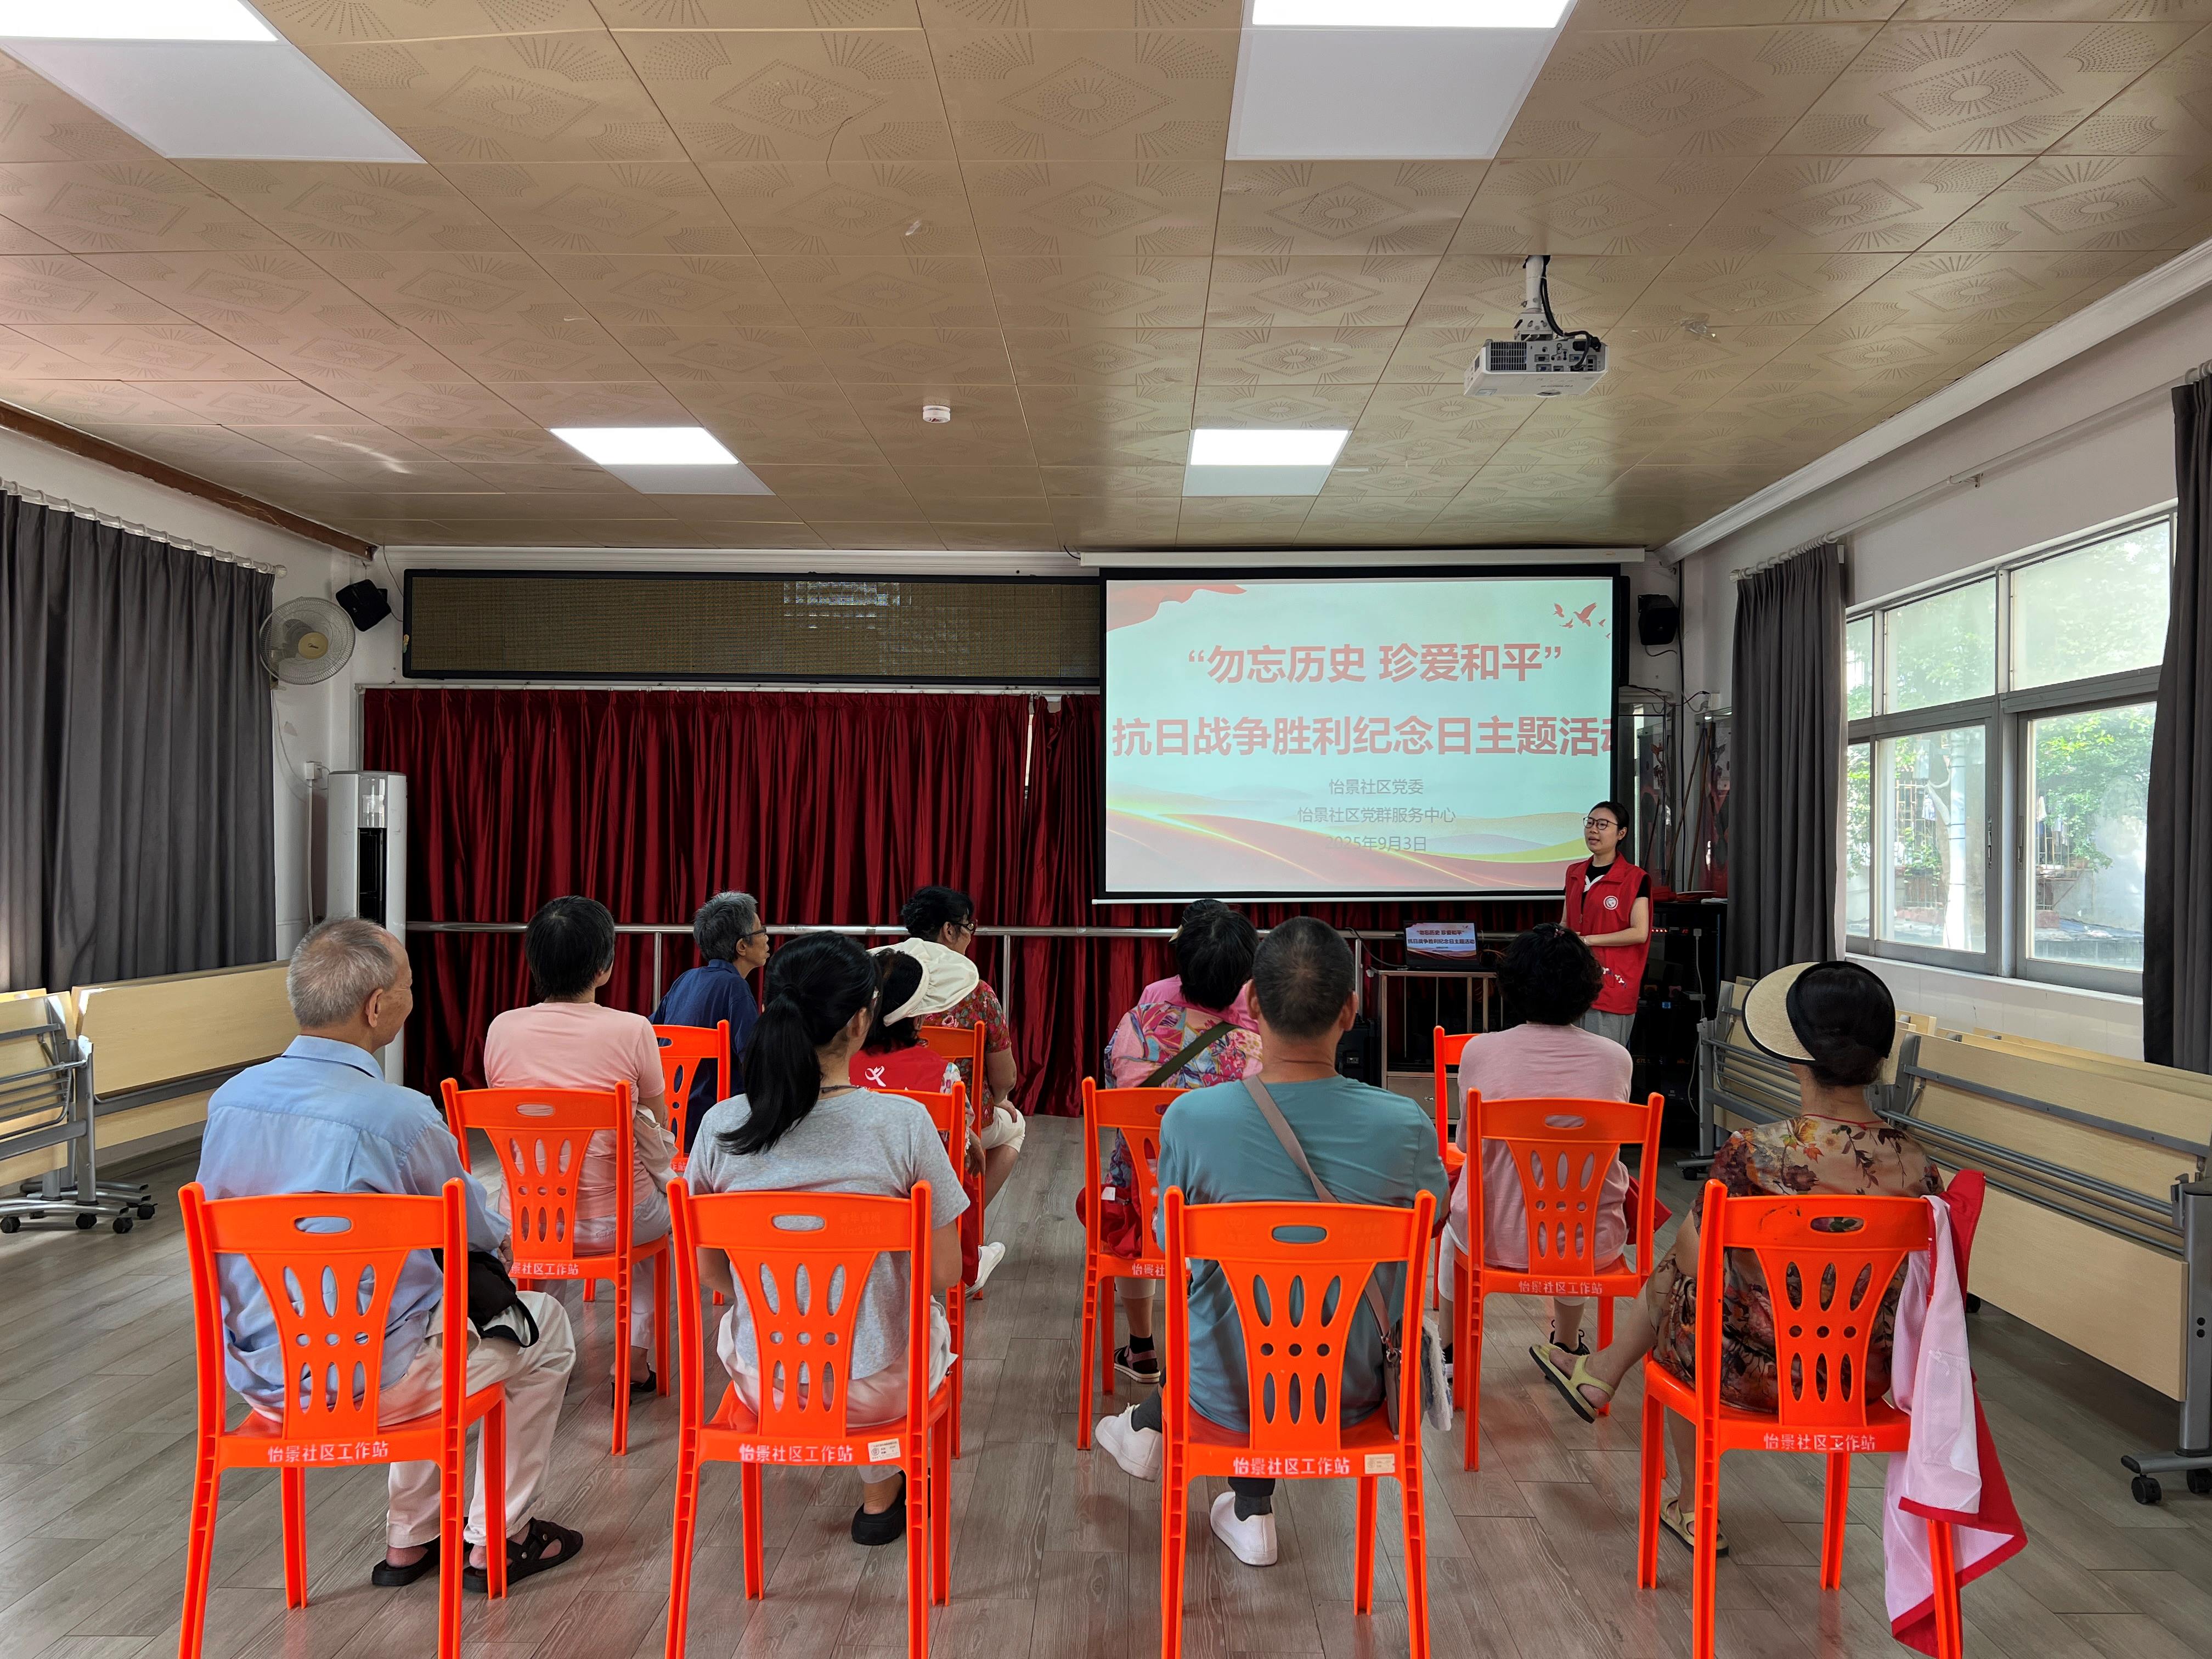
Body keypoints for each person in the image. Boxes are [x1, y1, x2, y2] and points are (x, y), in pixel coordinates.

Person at [196, 919, 582, 1592]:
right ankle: (502, 1538)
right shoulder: (400, 1117)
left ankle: (412, 1538)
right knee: (538, 1326)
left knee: (421, 1303)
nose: (413, 996)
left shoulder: (229, 1102)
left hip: (268, 1382)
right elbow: (475, 1237)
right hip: (376, 1384)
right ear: (377, 1007)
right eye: (409, 986)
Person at [1533, 960, 1938, 1556]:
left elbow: (1694, 1262)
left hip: (1755, 1377)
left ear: (1797, 1052)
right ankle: (1601, 1374)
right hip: (1866, 1379)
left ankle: (1691, 1500)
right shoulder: (1919, 1165)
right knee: (1690, 1277)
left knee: (1683, 1285)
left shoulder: (1758, 1151)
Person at [1092, 918, 1449, 1570]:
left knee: (1231, 1301)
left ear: (1253, 1002)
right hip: (1357, 1393)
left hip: (1220, 1393)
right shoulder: (1406, 1125)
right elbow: (1434, 1218)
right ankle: (1227, 1489)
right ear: (1351, 1011)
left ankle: (1176, 1446)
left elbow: (1171, 1244)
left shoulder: (1192, 1119)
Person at [687, 932, 967, 1547]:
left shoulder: (721, 1125)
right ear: (862, 1021)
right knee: (904, 1315)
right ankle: (879, 1496)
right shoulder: (904, 1123)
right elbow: (945, 1272)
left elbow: (710, 1276)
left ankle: (875, 1488)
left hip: (766, 1383)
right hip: (879, 1393)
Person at [483, 896, 673, 1397]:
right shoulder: (633, 1029)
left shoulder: (501, 1028)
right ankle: (633, 1363)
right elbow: (657, 1119)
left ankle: (543, 1353)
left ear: (533, 963)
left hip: (528, 1221)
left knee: (547, 1221)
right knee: (661, 1230)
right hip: (620, 1221)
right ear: (604, 967)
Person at [1440, 924, 1632, 1368]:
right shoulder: (1615, 1058)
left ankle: (1449, 1355)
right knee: (1578, 1202)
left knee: (1453, 1231)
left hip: (1493, 1237)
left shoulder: (1479, 1051)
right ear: (1589, 989)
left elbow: (1466, 1144)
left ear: (1511, 986)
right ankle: (1566, 1346)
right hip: (1590, 1241)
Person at [1098, 899, 1264, 1385]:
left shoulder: (1137, 1023)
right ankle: (1212, 1355)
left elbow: (1114, 1085)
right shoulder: (1256, 1049)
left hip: (1141, 1196)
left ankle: (1142, 1347)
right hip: (1222, 1204)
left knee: (1133, 1177)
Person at [852, 945, 1007, 1293]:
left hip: (854, 1207)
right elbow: (954, 1146)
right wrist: (969, 1139)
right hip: (921, 1215)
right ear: (919, 1018)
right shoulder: (943, 1074)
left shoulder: (839, 1067)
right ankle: (968, 1263)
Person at [900, 885, 1025, 1229]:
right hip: (958, 1121)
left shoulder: (886, 982)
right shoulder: (977, 993)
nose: (971, 937)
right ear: (949, 930)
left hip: (891, 1111)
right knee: (1016, 1126)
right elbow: (1005, 1078)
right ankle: (962, 1226)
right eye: (969, 927)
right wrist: (997, 1100)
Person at [651, 891, 771, 1152]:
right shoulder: (736, 988)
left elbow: (650, 1035)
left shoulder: (685, 980)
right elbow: (756, 1062)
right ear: (742, 946)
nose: (767, 937)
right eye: (761, 930)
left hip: (672, 1125)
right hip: (719, 1127)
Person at [1561, 800, 1650, 1049]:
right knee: (1570, 1059)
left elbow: (1639, 932)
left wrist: (1587, 940)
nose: (1593, 830)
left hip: (1611, 983)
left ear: (1621, 833)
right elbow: (1566, 922)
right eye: (1590, 823)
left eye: (1603, 825)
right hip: (1572, 980)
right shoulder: (1574, 872)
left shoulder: (1635, 878)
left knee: (1602, 1058)